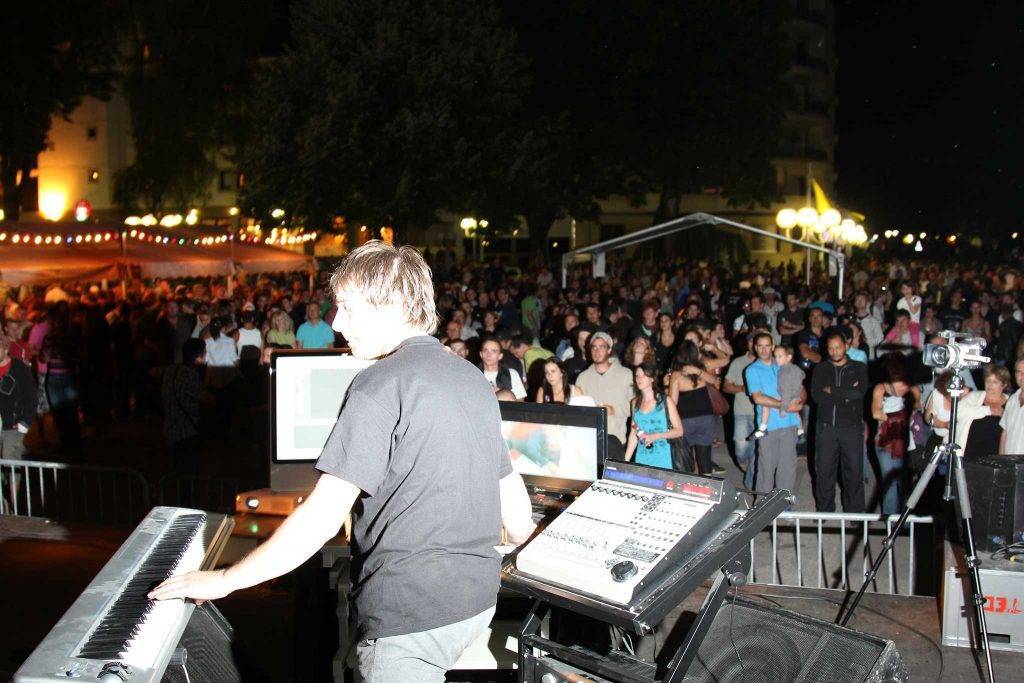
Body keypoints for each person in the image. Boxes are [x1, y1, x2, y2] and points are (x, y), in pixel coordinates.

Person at [151, 241, 535, 683]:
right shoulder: (470, 377)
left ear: (390, 307)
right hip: (476, 603)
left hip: (410, 615)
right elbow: (516, 513)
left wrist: (224, 580)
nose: (337, 322)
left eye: (348, 308)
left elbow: (321, 518)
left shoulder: (378, 385)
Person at [810, 330, 869, 512]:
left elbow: (859, 393)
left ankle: (855, 513)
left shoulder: (859, 368)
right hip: (826, 428)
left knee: (854, 472)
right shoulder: (820, 369)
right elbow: (817, 396)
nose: (835, 352)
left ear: (846, 346)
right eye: (831, 348)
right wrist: (846, 393)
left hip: (851, 428)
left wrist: (833, 391)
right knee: (824, 471)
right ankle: (825, 511)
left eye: (838, 347)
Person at [745, 332, 804, 495]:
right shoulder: (752, 370)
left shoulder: (782, 363)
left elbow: (800, 387)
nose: (764, 350)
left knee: (788, 467)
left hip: (789, 423)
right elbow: (758, 398)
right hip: (769, 426)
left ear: (772, 346)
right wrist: (784, 405)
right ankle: (762, 505)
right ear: (755, 348)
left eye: (767, 346)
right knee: (766, 468)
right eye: (760, 346)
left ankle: (784, 504)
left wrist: (800, 402)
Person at [871, 356, 920, 515]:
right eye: (897, 388)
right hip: (885, 442)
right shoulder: (880, 389)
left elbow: (917, 405)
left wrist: (911, 410)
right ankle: (890, 521)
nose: (901, 391)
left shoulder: (913, 388)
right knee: (889, 484)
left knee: (905, 483)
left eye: (904, 386)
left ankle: (905, 520)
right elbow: (876, 413)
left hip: (906, 442)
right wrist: (898, 416)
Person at [668, 340, 724, 475]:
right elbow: (714, 380)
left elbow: (673, 402)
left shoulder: (676, 374)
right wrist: (698, 371)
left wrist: (670, 422)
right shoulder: (701, 370)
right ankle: (706, 486)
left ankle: (689, 485)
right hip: (706, 419)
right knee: (704, 459)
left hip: (685, 421)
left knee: (686, 460)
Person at [576, 332, 634, 460]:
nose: (597, 351)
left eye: (601, 347)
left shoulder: (626, 374)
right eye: (594, 347)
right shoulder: (582, 378)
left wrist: (614, 410)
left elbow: (635, 407)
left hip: (617, 441)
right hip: (589, 442)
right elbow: (577, 411)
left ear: (609, 350)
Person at [624, 362, 684, 470]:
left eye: (643, 375)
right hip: (642, 457)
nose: (639, 379)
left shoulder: (665, 401)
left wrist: (655, 436)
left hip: (663, 457)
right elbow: (634, 432)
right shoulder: (635, 403)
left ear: (652, 378)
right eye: (637, 375)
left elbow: (679, 431)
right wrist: (625, 460)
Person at [0, 334, 37, 505]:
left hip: (12, 426)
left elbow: (31, 397)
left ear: (5, 348)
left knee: (11, 462)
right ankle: (4, 505)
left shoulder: (19, 368)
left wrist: (26, 421)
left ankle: (13, 506)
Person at [161, 338, 206, 477]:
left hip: (170, 430)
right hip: (187, 432)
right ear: (198, 357)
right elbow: (204, 398)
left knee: (176, 471)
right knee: (188, 473)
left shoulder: (170, 371)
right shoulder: (190, 375)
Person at [723, 333, 757, 488]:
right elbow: (726, 387)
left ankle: (751, 484)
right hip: (742, 412)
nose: (755, 345)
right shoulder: (738, 363)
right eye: (752, 341)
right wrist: (742, 388)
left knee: (756, 450)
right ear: (748, 343)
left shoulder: (767, 364)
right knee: (740, 449)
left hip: (760, 413)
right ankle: (747, 467)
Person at [955, 364, 1010, 460]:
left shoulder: (1011, 403)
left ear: (1004, 384)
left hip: (997, 459)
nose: (990, 385)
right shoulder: (974, 396)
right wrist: (989, 410)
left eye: (995, 382)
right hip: (969, 456)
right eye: (987, 380)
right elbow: (957, 412)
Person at [752, 345, 804, 439]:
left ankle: (763, 428)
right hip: (791, 394)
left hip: (789, 395)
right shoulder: (790, 368)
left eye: (780, 356)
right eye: (775, 356)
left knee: (767, 405)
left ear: (788, 357)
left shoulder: (785, 371)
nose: (777, 359)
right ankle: (800, 430)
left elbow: (787, 390)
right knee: (795, 412)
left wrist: (783, 408)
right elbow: (802, 374)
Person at [999, 359, 1024, 455]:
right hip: (1010, 461)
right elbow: (1005, 432)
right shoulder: (1012, 400)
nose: (1022, 376)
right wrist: (1001, 459)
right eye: (1019, 372)